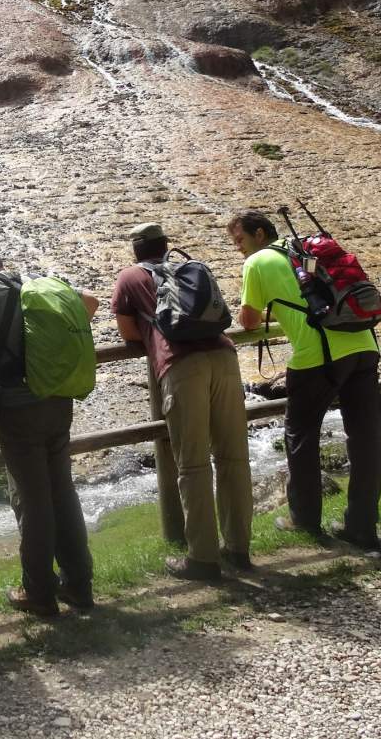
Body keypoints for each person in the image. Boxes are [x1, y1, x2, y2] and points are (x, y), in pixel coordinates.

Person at [0, 240, 97, 616]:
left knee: (32, 500)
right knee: (61, 492)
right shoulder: (37, 283)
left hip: (18, 408)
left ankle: (39, 592)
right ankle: (79, 585)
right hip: (57, 400)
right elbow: (89, 301)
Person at [231, 211, 381, 552]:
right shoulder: (307, 247)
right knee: (366, 438)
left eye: (239, 240)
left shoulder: (258, 262)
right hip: (363, 343)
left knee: (300, 435)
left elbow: (249, 320)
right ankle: (362, 527)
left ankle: (304, 519)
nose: (238, 248)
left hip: (318, 356)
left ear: (258, 234)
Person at [111, 223, 252, 580]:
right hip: (224, 358)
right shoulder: (190, 266)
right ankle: (238, 548)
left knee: (192, 465)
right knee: (233, 456)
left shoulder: (130, 278)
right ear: (166, 245)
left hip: (181, 366)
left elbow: (128, 333)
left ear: (136, 250)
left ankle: (203, 558)